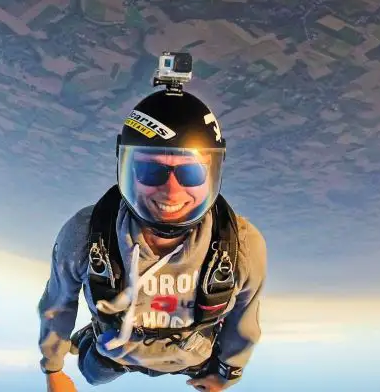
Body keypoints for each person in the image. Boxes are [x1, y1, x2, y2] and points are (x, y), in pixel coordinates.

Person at [37, 55, 267, 391]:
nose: (171, 190)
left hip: (191, 357)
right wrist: (53, 370)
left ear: (212, 175)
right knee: (92, 375)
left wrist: (226, 372)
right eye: (150, 170)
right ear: (126, 170)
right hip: (114, 354)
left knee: (94, 370)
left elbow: (244, 319)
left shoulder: (242, 246)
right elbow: (58, 303)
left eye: (190, 172)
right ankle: (96, 338)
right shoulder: (85, 235)